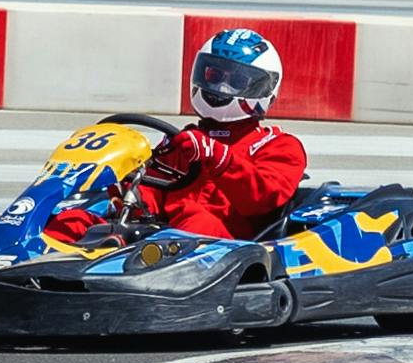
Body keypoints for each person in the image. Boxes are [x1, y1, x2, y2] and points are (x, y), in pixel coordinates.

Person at [111, 26, 308, 242]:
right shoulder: (185, 141)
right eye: (215, 76)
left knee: (195, 220)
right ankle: (72, 253)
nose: (222, 87)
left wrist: (217, 157)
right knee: (90, 208)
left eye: (236, 81)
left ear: (263, 89)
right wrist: (129, 195)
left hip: (227, 244)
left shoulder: (280, 146)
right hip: (163, 235)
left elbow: (262, 198)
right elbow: (153, 187)